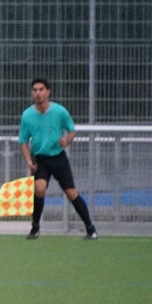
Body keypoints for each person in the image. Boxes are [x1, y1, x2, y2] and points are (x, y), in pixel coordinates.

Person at [19, 78, 98, 240]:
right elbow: (23, 141)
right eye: (35, 90)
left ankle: (90, 228)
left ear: (48, 92)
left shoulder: (59, 111)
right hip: (40, 158)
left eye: (41, 89)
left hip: (58, 158)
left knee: (71, 192)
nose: (38, 93)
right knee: (39, 189)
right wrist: (28, 160)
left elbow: (72, 130)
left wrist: (67, 140)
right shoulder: (27, 115)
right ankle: (35, 227)